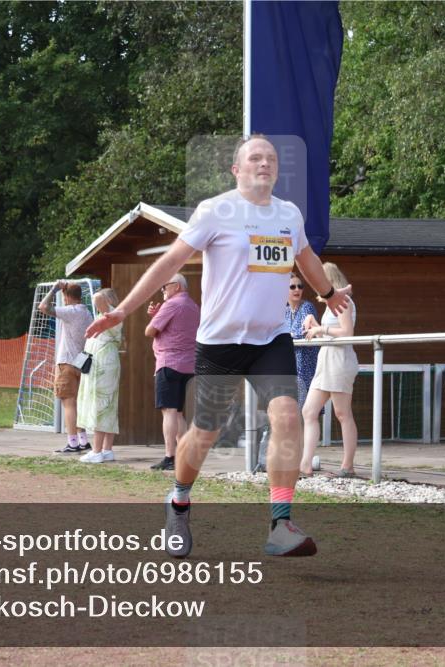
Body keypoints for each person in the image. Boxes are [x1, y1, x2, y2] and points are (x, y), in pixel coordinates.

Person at [86, 134, 352, 558]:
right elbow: (170, 262)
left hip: (270, 338)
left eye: (270, 158)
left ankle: (280, 523)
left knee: (288, 416)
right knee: (205, 433)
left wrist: (327, 293)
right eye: (254, 158)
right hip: (220, 343)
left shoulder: (288, 214)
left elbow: (306, 257)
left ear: (277, 169)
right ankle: (178, 500)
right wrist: (124, 310)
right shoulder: (216, 211)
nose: (264, 163)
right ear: (237, 170)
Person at [300, 263, 358, 477]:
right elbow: (330, 333)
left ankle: (347, 465)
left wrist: (320, 328)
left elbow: (347, 333)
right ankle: (305, 464)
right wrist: (314, 324)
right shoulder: (329, 304)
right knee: (309, 411)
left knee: (342, 414)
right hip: (326, 361)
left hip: (340, 361)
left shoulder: (344, 301)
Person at [145, 273, 200, 471]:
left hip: (169, 363)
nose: (163, 291)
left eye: (164, 287)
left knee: (168, 411)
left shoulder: (172, 304)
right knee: (177, 412)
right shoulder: (193, 306)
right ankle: (185, 455)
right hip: (188, 365)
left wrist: (155, 318)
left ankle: (170, 456)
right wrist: (157, 315)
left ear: (176, 286)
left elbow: (149, 331)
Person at [39, 281, 94, 454]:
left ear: (67, 297)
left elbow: (43, 307)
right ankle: (83, 440)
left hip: (67, 363)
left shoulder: (71, 311)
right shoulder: (87, 313)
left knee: (68, 404)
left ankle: (73, 442)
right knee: (78, 404)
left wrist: (54, 289)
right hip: (81, 363)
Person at [77, 288, 123, 464]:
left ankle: (97, 450)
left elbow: (98, 299)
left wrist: (100, 296)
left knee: (101, 403)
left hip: (103, 364)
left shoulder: (111, 314)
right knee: (107, 404)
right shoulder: (108, 316)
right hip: (102, 362)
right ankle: (106, 449)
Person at [285, 271, 319, 408]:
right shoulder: (285, 310)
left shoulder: (307, 307)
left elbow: (304, 332)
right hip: (289, 365)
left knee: (305, 410)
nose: (297, 289)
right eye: (292, 287)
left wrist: (287, 336)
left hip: (305, 365)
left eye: (300, 286)